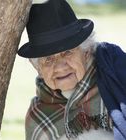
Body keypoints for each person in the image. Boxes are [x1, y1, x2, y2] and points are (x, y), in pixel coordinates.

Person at [17, 0, 126, 140]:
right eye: (48, 59)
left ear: (86, 52)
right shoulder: (37, 116)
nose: (60, 67)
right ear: (37, 67)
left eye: (67, 52)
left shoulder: (114, 79)